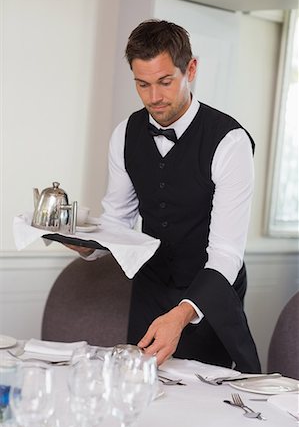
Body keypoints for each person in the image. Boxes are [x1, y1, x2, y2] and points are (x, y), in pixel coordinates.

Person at [70, 19, 261, 373]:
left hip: (209, 290)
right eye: (142, 84)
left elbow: (225, 255)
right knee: (143, 388)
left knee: (205, 397)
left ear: (191, 69)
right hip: (151, 286)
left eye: (165, 82)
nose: (153, 97)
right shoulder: (124, 133)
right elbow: (117, 220)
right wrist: (88, 245)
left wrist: (182, 314)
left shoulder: (229, 142)